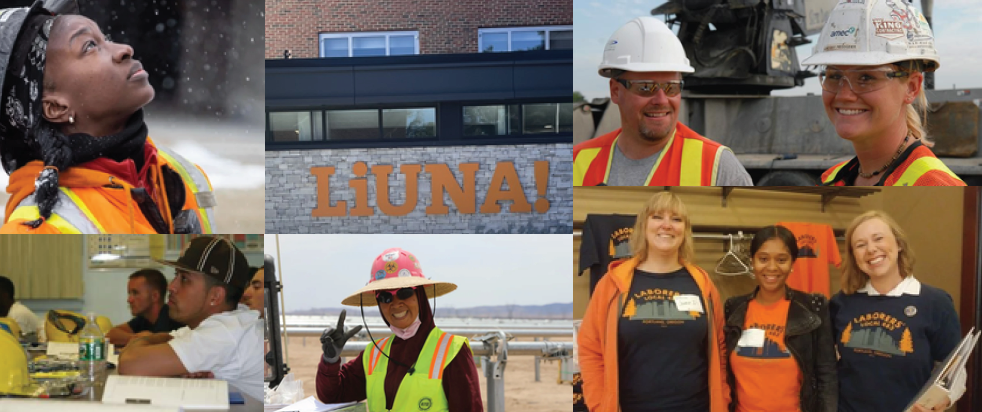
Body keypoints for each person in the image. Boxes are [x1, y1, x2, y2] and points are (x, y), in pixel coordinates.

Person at [0, 1, 217, 233]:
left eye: (106, 38)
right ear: (55, 107)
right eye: (90, 46)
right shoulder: (40, 232)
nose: (124, 49)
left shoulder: (178, 172)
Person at [578, 191, 730, 412]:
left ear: (685, 230)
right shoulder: (612, 283)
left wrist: (722, 399)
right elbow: (590, 349)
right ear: (643, 225)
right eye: (657, 217)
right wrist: (600, 405)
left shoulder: (703, 284)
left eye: (676, 219)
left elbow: (720, 350)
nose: (667, 225)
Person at [573, 16, 752, 187]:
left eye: (671, 87)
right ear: (615, 91)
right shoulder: (576, 162)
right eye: (645, 87)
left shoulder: (718, 167)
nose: (661, 100)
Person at [802, 0, 964, 186]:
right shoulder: (829, 179)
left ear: (911, 88)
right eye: (834, 76)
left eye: (866, 77)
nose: (844, 95)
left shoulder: (936, 187)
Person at [316, 248, 483, 412]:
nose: (395, 304)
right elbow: (333, 395)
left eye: (405, 292)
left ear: (420, 296)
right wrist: (330, 361)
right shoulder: (374, 354)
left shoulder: (453, 351)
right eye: (385, 297)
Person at [831, 211, 965, 412]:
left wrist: (943, 400)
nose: (871, 249)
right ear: (854, 256)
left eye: (878, 238)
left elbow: (955, 369)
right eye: (860, 245)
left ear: (899, 244)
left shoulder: (936, 303)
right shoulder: (841, 303)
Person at [117, 237, 263, 401]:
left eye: (185, 279)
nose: (171, 286)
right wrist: (152, 339)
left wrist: (147, 340)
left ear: (215, 296)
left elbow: (129, 363)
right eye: (176, 275)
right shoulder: (227, 322)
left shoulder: (224, 332)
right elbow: (155, 340)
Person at [724, 225, 837, 412]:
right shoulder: (733, 308)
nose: (772, 267)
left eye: (781, 260)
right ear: (752, 262)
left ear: (793, 263)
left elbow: (827, 376)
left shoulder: (813, 308)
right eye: (763, 259)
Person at [106, 269, 185, 347]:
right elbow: (111, 335)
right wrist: (138, 338)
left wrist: (144, 340)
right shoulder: (143, 318)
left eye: (135, 293)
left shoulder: (173, 320)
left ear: (155, 296)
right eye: (129, 293)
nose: (129, 300)